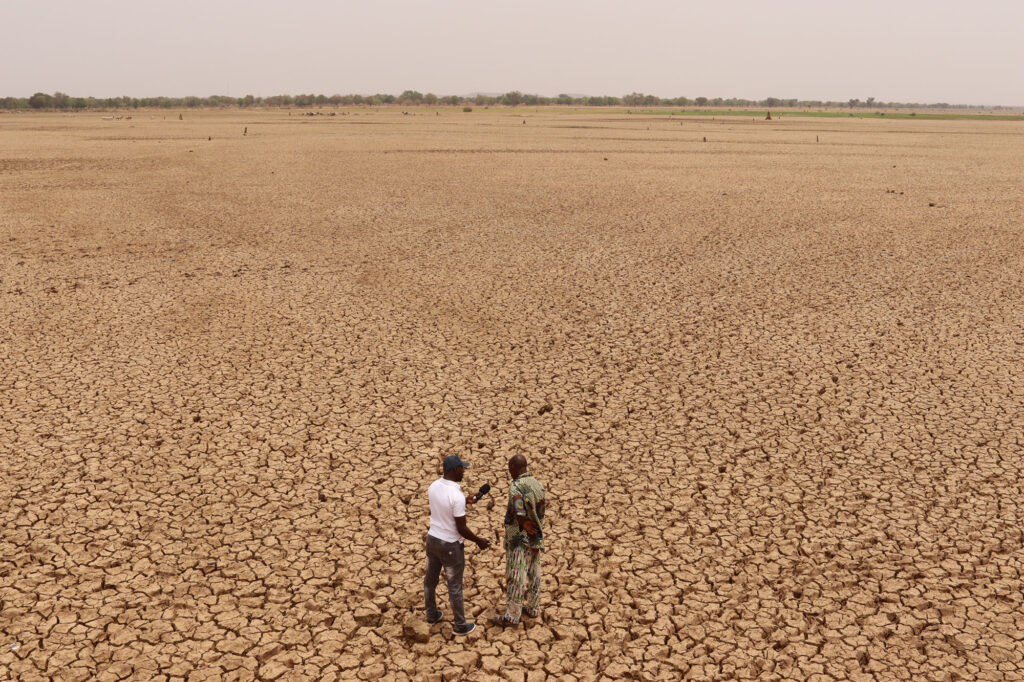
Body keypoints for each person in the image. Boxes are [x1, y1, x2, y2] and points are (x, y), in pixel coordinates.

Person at [425, 454, 491, 635]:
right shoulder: (456, 496)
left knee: (430, 581)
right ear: (454, 470)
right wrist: (479, 541)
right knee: (455, 587)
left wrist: (465, 502)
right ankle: (460, 625)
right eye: (462, 468)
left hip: (432, 540)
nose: (464, 470)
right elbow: (461, 528)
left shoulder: (433, 486)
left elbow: (443, 508)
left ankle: (431, 614)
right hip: (450, 546)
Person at [493, 454, 546, 627]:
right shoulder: (537, 485)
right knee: (534, 573)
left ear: (515, 468)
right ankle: (533, 607)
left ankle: (512, 615)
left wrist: (523, 524)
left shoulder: (517, 486)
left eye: (510, 468)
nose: (509, 472)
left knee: (516, 575)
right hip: (535, 537)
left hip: (519, 538)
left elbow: (519, 512)